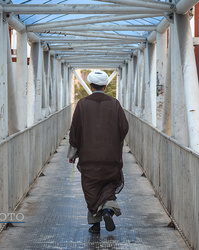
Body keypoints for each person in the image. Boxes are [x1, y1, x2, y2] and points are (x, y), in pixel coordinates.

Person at [68, 70, 129, 234]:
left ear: (90, 85)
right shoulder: (114, 104)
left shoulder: (82, 104)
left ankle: (95, 225)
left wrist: (73, 154)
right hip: (111, 158)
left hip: (89, 158)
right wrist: (115, 143)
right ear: (105, 85)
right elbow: (124, 127)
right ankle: (108, 211)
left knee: (92, 189)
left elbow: (75, 131)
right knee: (109, 185)